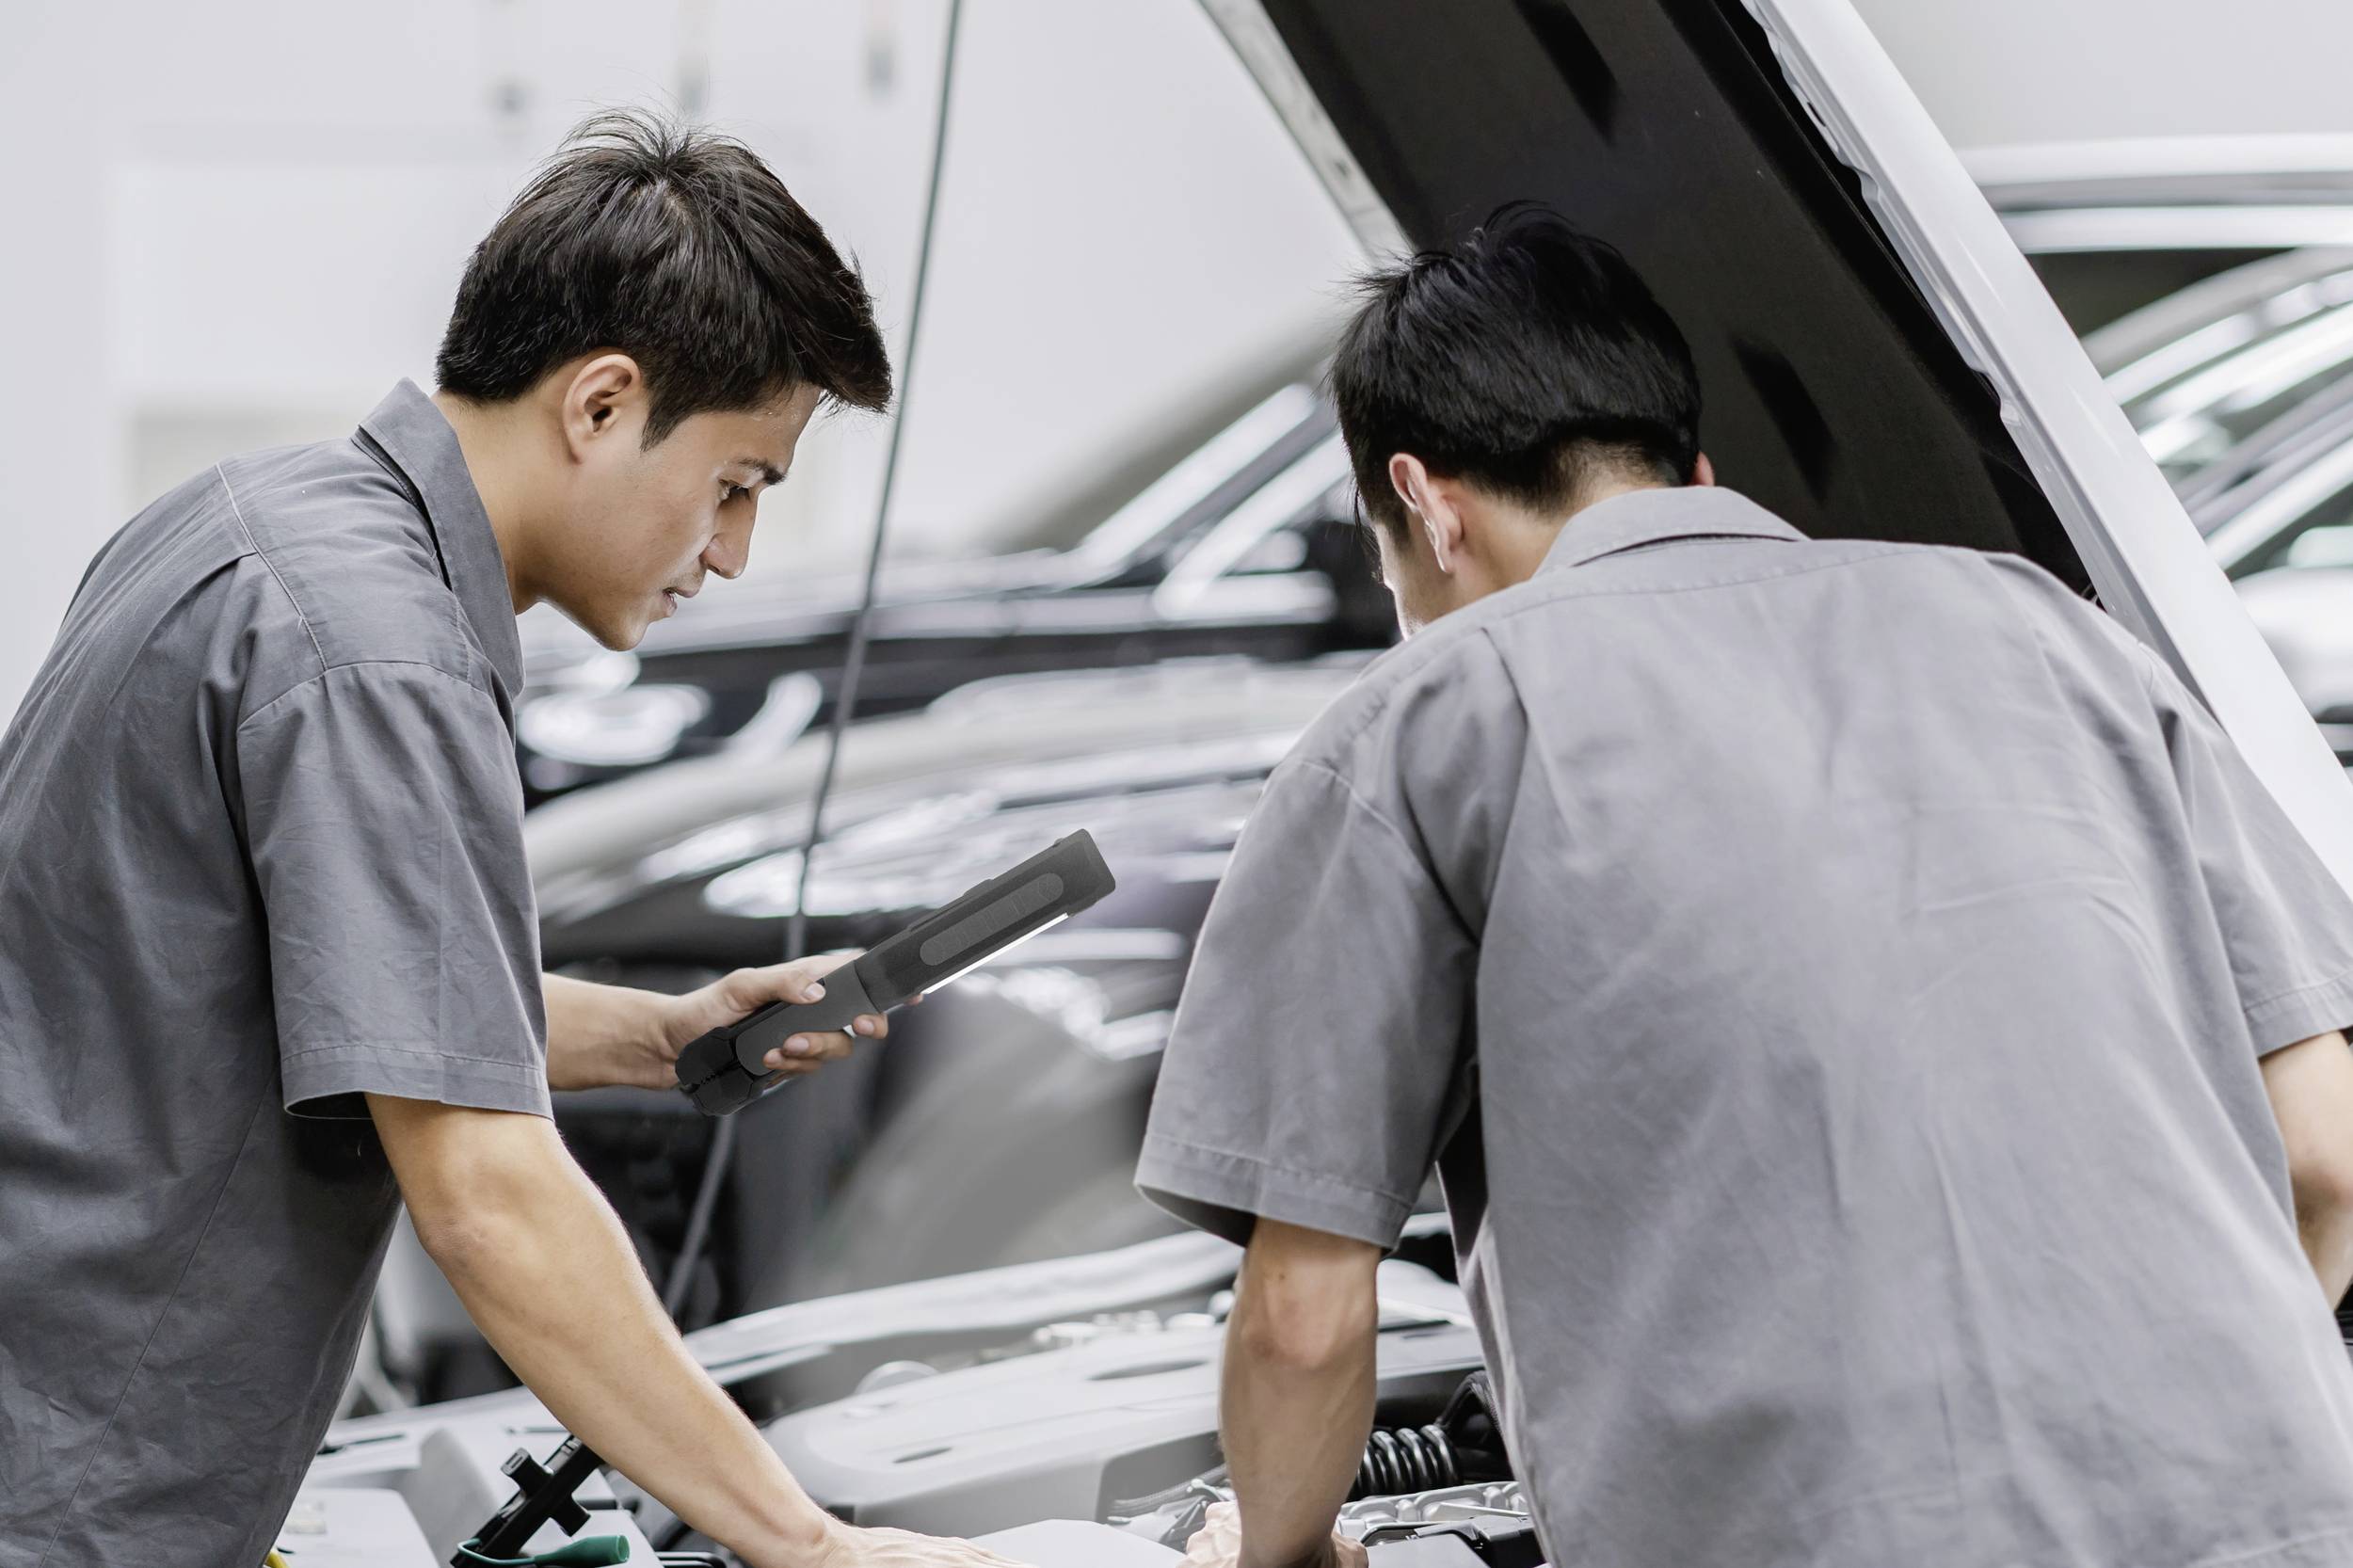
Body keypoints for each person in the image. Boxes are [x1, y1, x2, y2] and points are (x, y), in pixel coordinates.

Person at [1138, 205, 2353, 1568]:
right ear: (1693, 470)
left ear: (1423, 503)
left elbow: (1302, 1320)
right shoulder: (2054, 633)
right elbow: (2325, 1152)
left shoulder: (1420, 723)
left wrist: (1284, 1553)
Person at [0, 111, 1025, 1568]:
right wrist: (811, 1544)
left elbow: (305, 989)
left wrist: (669, 1034)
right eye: (736, 482)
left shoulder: (254, 517)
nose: (732, 552)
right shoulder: (379, 657)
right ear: (601, 406)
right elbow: (489, 1195)